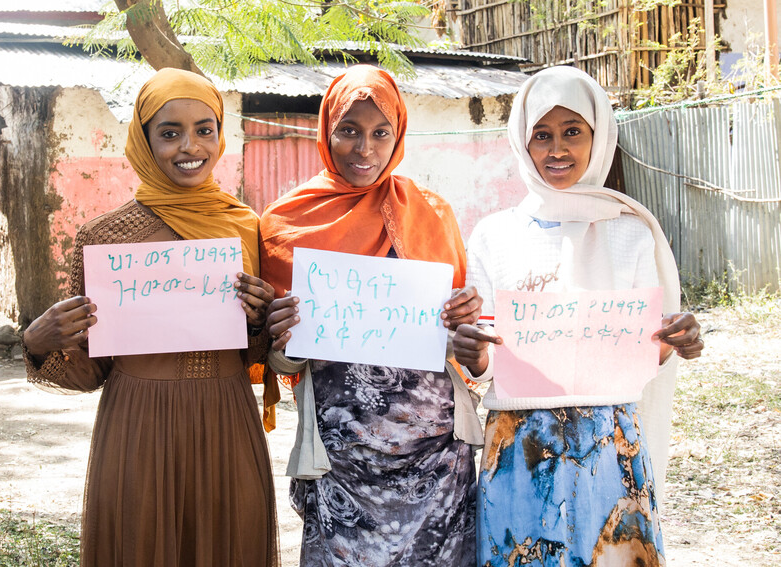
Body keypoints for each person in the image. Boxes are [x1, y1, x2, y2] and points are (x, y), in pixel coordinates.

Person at [22, 68, 279, 567]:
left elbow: (257, 358)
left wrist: (260, 321)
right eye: (169, 132)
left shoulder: (246, 228)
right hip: (137, 425)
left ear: (221, 135)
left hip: (226, 419)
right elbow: (89, 372)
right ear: (144, 141)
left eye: (205, 129)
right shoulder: (105, 238)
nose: (191, 145)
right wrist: (37, 343)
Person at [453, 66, 704, 566]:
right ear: (523, 143)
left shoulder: (631, 232)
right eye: (541, 135)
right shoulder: (493, 236)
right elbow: (483, 365)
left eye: (573, 132)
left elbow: (642, 349)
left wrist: (678, 338)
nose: (557, 149)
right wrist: (473, 351)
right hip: (520, 446)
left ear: (599, 134)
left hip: (610, 446)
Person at [260, 65, 483, 566]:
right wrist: (283, 339)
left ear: (398, 134)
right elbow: (282, 363)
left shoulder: (432, 212)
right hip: (342, 456)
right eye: (350, 131)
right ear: (326, 132)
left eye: (381, 133)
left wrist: (465, 317)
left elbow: (459, 342)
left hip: (437, 450)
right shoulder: (287, 223)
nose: (366, 149)